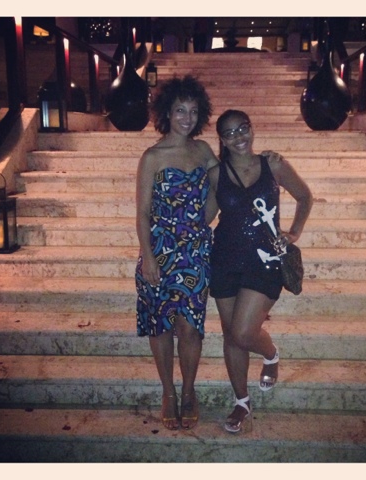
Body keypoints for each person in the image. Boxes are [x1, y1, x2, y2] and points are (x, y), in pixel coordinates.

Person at [207, 109, 313, 433]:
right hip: (225, 259)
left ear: (252, 129)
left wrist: (293, 232)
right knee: (231, 335)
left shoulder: (273, 164)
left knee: (242, 332)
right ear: (222, 140)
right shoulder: (216, 174)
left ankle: (271, 353)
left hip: (264, 261)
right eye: (229, 133)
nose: (238, 136)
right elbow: (205, 217)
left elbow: (305, 196)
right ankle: (242, 402)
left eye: (243, 128)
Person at [135, 75, 219, 430]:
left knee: (190, 327)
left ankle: (188, 391)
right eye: (180, 110)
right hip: (160, 250)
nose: (187, 117)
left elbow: (219, 192)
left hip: (195, 253)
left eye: (193, 111)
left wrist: (201, 222)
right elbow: (142, 212)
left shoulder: (203, 151)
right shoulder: (152, 157)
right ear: (167, 113)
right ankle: (168, 392)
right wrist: (148, 256)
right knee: (160, 326)